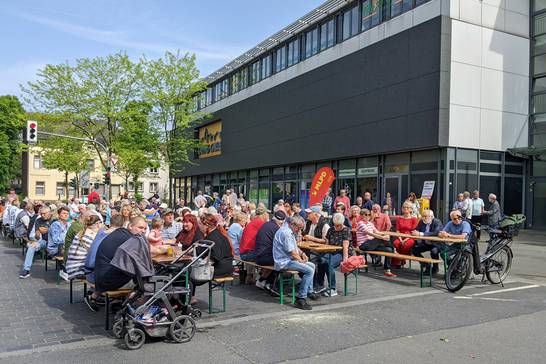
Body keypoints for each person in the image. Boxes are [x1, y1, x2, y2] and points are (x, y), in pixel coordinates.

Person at [90, 217, 144, 311]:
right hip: (107, 281)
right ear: (130, 226)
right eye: (140, 227)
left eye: (145, 228)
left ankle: (118, 302)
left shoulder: (120, 233)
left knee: (130, 272)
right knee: (145, 282)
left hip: (100, 277)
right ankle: (128, 307)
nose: (143, 231)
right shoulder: (129, 239)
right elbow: (145, 253)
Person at [273, 215, 319, 310]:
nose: (300, 230)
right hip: (283, 262)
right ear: (292, 224)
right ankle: (301, 298)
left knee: (312, 265)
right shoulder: (286, 233)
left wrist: (302, 253)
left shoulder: (288, 230)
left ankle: (309, 291)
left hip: (287, 260)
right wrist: (300, 260)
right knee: (309, 271)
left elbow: (294, 247)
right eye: (299, 228)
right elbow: (293, 253)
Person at [190, 213, 234, 304]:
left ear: (206, 225)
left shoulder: (214, 237)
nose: (199, 228)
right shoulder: (213, 234)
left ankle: (189, 298)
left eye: (200, 225)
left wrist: (201, 264)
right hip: (220, 265)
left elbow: (215, 257)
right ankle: (189, 297)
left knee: (189, 274)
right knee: (188, 271)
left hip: (221, 268)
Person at [316, 213, 352, 297]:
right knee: (321, 260)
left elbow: (345, 247)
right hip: (331, 251)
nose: (337, 227)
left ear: (342, 223)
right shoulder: (331, 230)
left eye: (339, 225)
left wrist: (345, 260)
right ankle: (320, 284)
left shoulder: (346, 230)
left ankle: (333, 288)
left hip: (342, 252)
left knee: (329, 264)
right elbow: (327, 245)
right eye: (336, 225)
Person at [355, 209, 397, 277]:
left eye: (369, 215)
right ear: (362, 215)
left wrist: (385, 235)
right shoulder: (360, 223)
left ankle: (387, 270)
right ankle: (394, 248)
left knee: (389, 250)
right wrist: (382, 237)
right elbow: (371, 234)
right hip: (364, 245)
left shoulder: (370, 223)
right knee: (380, 239)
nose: (368, 216)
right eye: (366, 214)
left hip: (372, 244)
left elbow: (377, 232)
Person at [255, 210, 287, 291]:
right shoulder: (276, 228)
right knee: (282, 261)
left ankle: (261, 281)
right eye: (282, 223)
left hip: (258, 256)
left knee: (277, 259)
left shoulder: (266, 224)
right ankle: (270, 284)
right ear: (281, 222)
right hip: (264, 257)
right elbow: (283, 245)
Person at [19, 205, 52, 278]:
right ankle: (26, 270)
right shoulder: (38, 220)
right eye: (41, 213)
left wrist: (48, 230)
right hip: (45, 241)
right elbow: (37, 236)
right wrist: (37, 233)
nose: (42, 215)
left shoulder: (53, 220)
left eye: (44, 213)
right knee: (32, 246)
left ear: (49, 213)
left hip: (54, 242)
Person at [66, 214, 101, 280]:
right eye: (101, 223)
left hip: (71, 267)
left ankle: (92, 289)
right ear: (98, 224)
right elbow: (97, 253)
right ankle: (95, 289)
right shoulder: (89, 236)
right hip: (78, 270)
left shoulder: (82, 232)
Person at [411, 210, 443, 274]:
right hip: (426, 243)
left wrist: (421, 234)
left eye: (425, 216)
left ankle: (435, 268)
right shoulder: (421, 222)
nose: (424, 218)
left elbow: (435, 232)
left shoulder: (437, 222)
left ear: (432, 217)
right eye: (423, 216)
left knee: (434, 251)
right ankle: (426, 265)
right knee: (414, 250)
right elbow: (417, 229)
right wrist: (414, 232)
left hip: (435, 243)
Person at [392, 201, 419, 268]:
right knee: (396, 243)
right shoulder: (399, 218)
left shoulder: (414, 219)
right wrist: (401, 239)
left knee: (406, 244)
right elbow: (397, 230)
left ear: (411, 209)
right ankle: (399, 260)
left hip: (410, 237)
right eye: (404, 207)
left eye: (407, 207)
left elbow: (413, 231)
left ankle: (400, 261)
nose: (405, 209)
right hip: (400, 236)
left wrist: (406, 239)